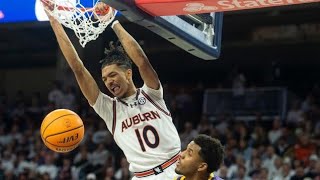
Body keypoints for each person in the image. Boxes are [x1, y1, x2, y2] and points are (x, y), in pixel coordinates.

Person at [42, 2, 181, 180]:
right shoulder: (108, 109)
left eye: (113, 75)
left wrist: (112, 21)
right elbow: (78, 68)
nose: (108, 81)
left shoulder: (152, 94)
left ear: (128, 73)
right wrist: (54, 20)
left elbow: (142, 61)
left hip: (178, 168)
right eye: (105, 79)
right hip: (144, 177)